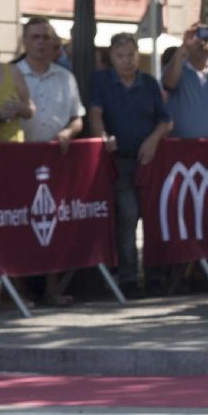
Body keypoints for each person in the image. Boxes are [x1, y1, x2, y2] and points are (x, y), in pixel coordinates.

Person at [88, 32, 173, 298]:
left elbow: (165, 120)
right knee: (127, 213)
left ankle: (155, 276)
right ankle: (127, 278)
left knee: (154, 215)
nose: (126, 61)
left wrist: (154, 139)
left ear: (138, 55)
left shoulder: (148, 83)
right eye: (120, 56)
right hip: (119, 160)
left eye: (131, 55)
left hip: (148, 159)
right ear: (111, 57)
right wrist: (102, 136)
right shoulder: (101, 81)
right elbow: (95, 114)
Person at [14, 19, 84, 148]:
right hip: (19, 152)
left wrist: (68, 132)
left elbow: (77, 118)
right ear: (24, 41)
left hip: (56, 153)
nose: (41, 42)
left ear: (52, 42)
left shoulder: (66, 77)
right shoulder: (11, 75)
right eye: (35, 37)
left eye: (46, 37)